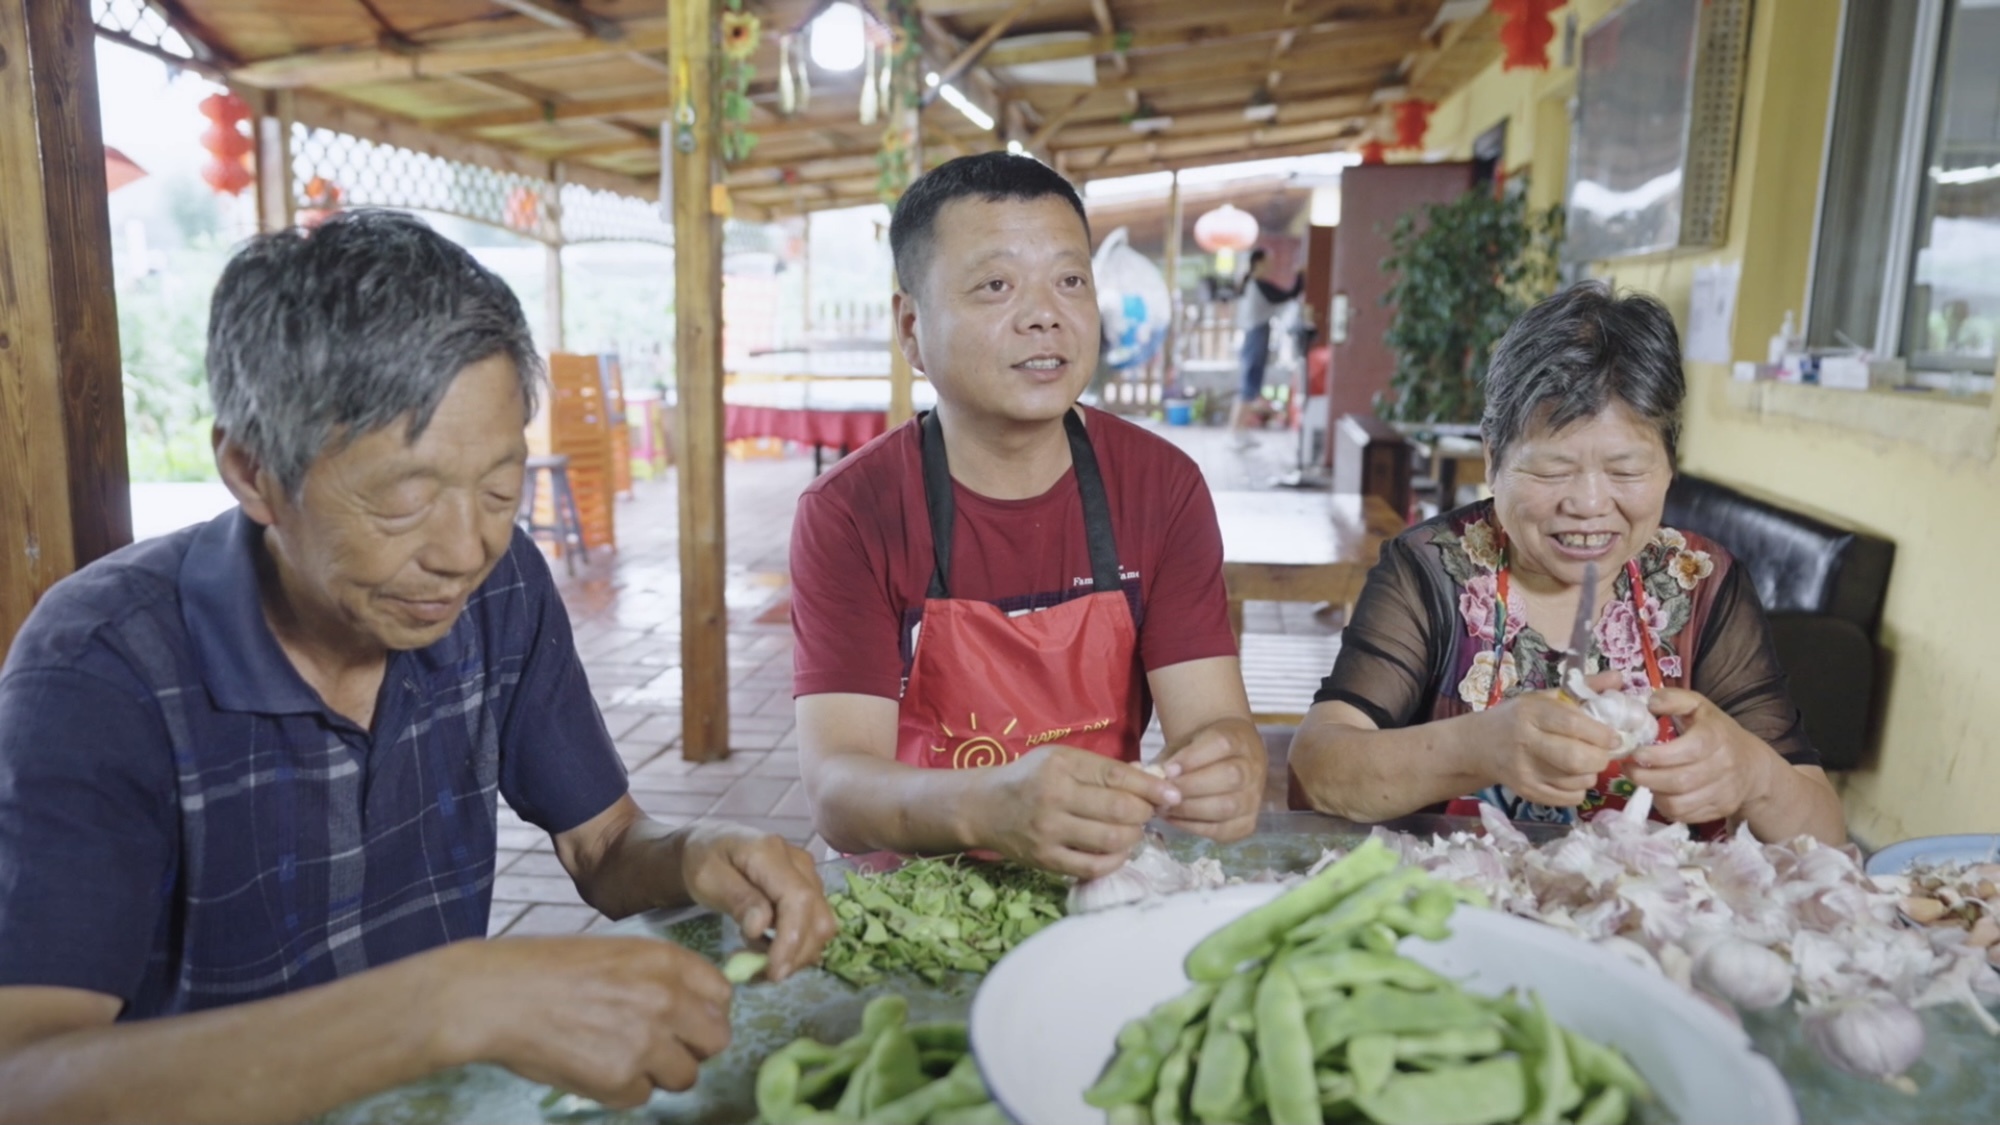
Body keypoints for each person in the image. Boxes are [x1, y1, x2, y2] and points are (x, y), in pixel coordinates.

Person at [0, 211, 837, 1124]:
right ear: (253, 471)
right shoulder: (99, 670)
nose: (464, 550)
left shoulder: (502, 588)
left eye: (500, 489)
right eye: (405, 499)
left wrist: (698, 854)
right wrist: (445, 1003)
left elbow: (602, 847)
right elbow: (22, 1076)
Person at [790, 153, 1267, 880]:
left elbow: (1212, 720)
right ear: (912, 328)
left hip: (1099, 881)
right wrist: (989, 807)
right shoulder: (850, 511)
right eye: (996, 285)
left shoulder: (1161, 486)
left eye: (1070, 281)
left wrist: (1227, 764)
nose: (1046, 314)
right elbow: (838, 791)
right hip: (912, 895)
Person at [1286, 282, 1845, 845]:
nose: (1589, 505)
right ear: (1492, 458)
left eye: (1626, 471)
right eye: (1553, 470)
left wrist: (1754, 777)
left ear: (1670, 466)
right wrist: (1476, 748)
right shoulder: (1434, 568)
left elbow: (1826, 837)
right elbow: (1315, 774)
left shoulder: (1698, 582)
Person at [1229, 247, 1305, 448]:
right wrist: (1300, 276)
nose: (1271, 265)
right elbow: (1288, 295)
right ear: (1259, 262)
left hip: (1253, 336)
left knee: (1249, 385)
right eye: (1268, 261)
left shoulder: (1250, 284)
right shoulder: (1258, 285)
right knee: (1249, 385)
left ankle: (1240, 430)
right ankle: (1236, 431)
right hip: (1256, 336)